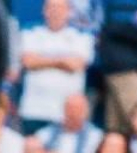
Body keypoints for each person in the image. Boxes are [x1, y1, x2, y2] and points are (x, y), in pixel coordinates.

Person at [19, 0, 92, 135]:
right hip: (34, 110)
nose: (55, 12)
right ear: (44, 10)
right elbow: (29, 62)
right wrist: (63, 61)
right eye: (51, 7)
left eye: (60, 8)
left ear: (69, 12)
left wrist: (43, 60)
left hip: (67, 115)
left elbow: (76, 65)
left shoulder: (81, 36)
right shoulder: (31, 33)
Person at [97, 2, 137, 132]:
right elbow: (116, 28)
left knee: (117, 128)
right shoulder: (117, 5)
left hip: (125, 69)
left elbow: (134, 42)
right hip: (123, 72)